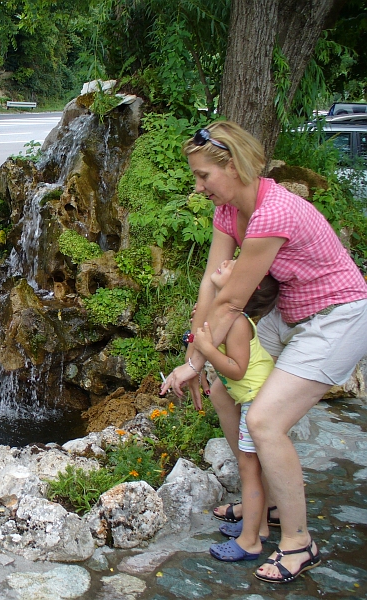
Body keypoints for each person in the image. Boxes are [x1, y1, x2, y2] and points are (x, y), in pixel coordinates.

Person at [160, 121, 367, 583]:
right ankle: (264, 499)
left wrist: (195, 360)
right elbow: (209, 287)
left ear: (233, 166)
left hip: (337, 316)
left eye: (203, 176)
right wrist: (196, 355)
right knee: (223, 390)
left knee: (265, 421)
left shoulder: (274, 213)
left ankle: (299, 541)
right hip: (290, 312)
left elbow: (231, 300)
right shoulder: (229, 210)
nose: (198, 187)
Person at [191, 260, 279, 562]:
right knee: (252, 467)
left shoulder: (238, 323)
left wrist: (207, 349)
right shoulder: (227, 318)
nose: (227, 261)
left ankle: (250, 541)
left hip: (258, 400)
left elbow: (237, 370)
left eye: (236, 267)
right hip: (252, 397)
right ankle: (259, 526)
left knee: (249, 469)